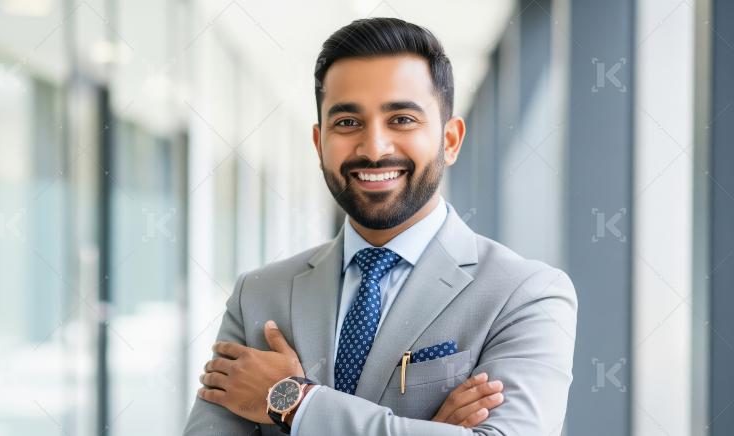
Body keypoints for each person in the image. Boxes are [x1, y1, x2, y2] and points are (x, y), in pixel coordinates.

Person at [184, 17, 577, 435]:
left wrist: (294, 402)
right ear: (320, 145)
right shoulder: (259, 297)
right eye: (348, 123)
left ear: (450, 140)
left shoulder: (525, 295)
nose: (373, 149)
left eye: (402, 119)